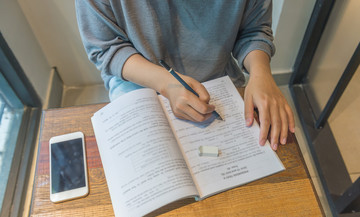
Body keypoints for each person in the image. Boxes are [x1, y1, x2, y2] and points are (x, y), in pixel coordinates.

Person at [75, 0, 295, 151]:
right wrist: (166, 83)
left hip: (219, 81)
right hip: (136, 83)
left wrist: (261, 73)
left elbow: (253, 29)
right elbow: (106, 48)